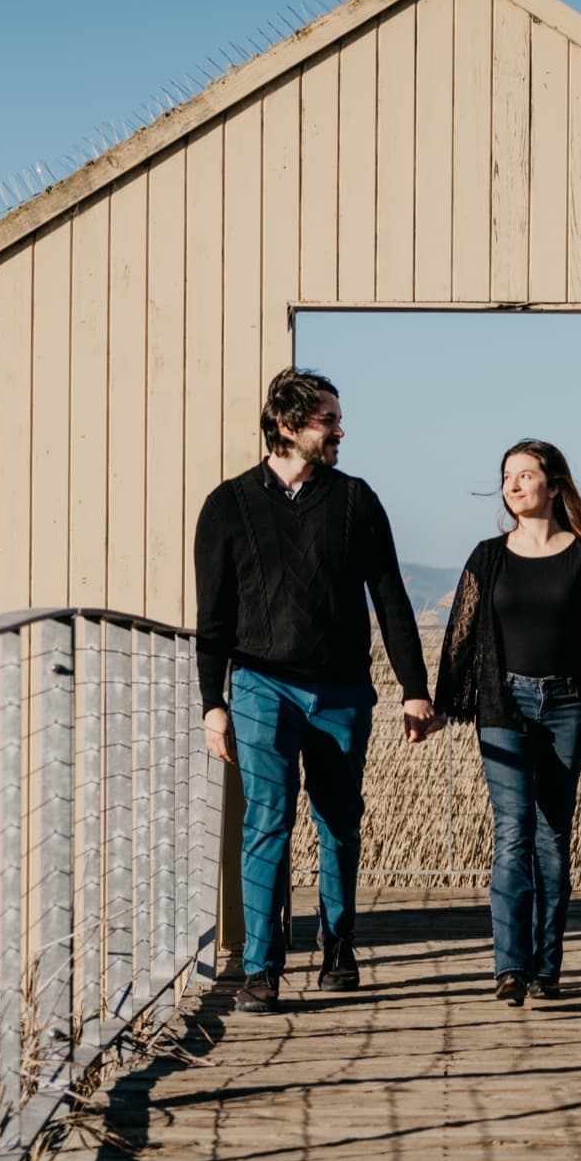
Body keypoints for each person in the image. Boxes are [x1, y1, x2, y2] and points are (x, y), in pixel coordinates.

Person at [194, 368, 438, 1015]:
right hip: (258, 686)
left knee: (339, 822)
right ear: (285, 425)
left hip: (341, 692)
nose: (339, 430)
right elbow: (212, 618)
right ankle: (261, 970)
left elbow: (390, 599)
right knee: (265, 822)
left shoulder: (356, 500)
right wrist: (211, 704)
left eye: (335, 418)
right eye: (327, 419)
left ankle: (339, 946)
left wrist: (415, 688)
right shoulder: (228, 505)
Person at [433, 439, 581, 1005]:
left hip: (569, 706)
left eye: (526, 475)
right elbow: (461, 636)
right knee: (513, 831)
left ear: (554, 484)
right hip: (505, 707)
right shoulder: (487, 557)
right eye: (507, 477)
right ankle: (510, 967)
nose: (514, 485)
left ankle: (548, 968)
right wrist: (440, 703)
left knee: (552, 836)